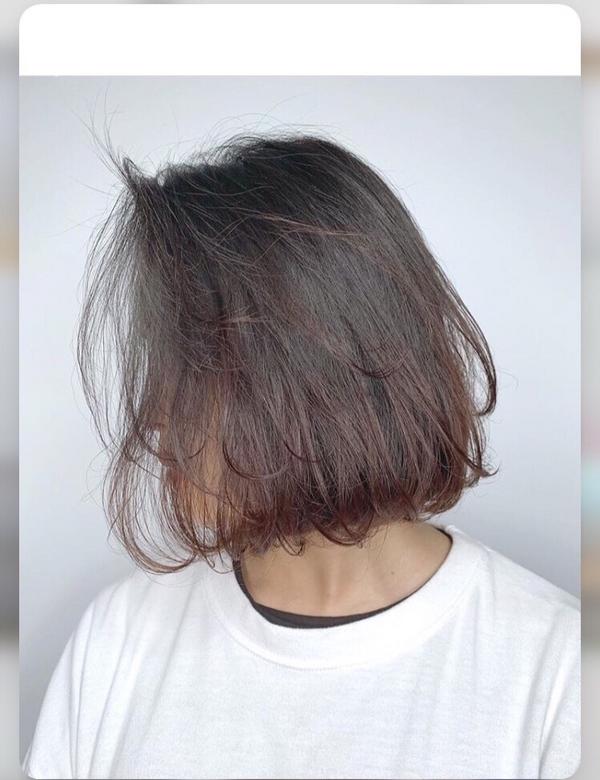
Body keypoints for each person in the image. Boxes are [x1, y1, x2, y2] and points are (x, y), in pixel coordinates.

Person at [23, 134, 580, 779]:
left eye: (187, 371)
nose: (154, 418)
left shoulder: (557, 676)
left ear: (311, 378)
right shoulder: (116, 641)